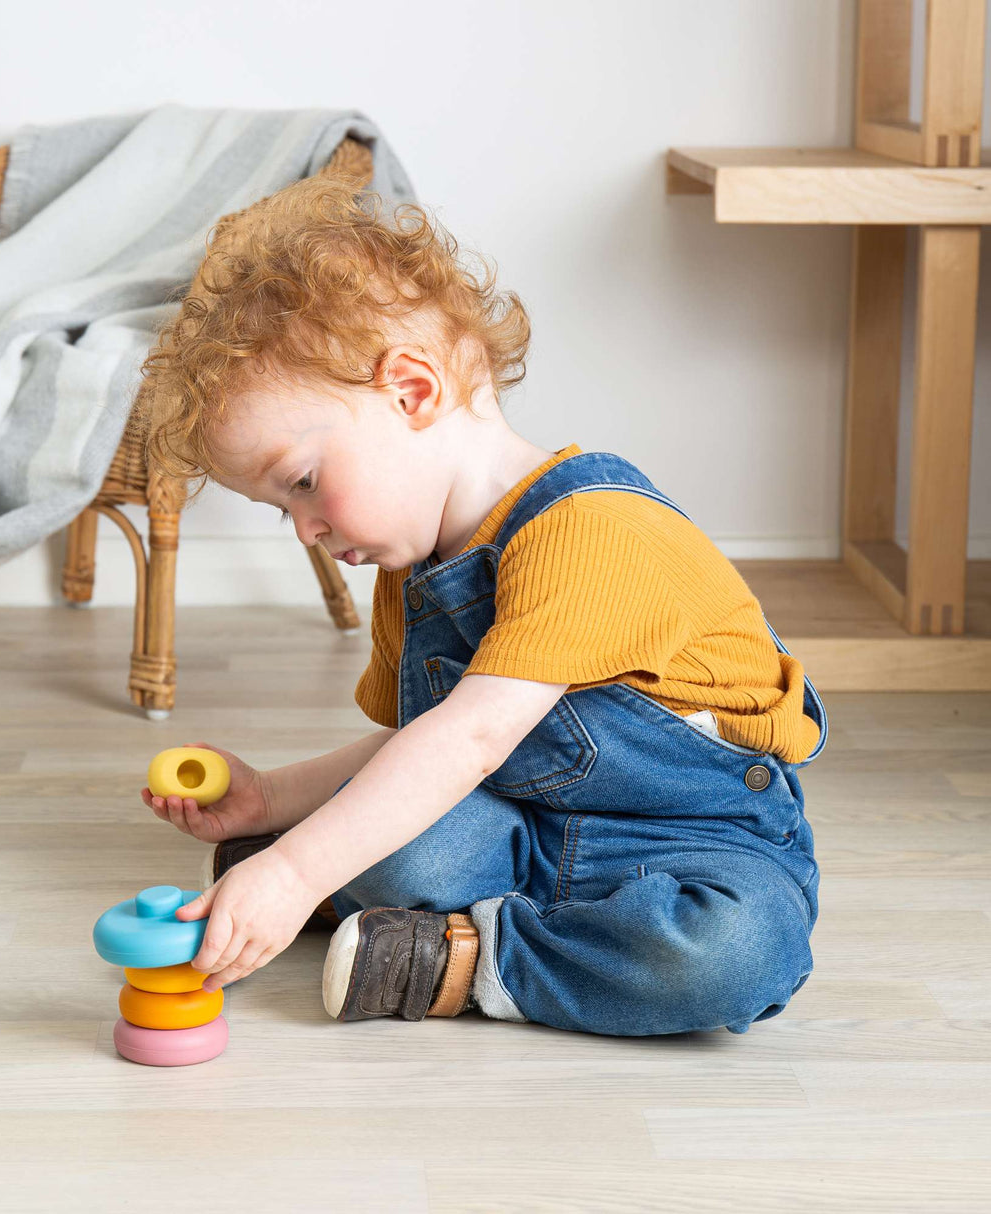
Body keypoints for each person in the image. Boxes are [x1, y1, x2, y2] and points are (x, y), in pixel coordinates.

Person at [132, 170, 827, 1036]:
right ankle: (372, 900)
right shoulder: (413, 570)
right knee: (401, 834)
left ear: (412, 390)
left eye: (303, 484)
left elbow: (472, 736)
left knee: (733, 953)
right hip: (526, 831)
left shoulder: (594, 532)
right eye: (283, 510)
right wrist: (271, 801)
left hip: (700, 842)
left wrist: (298, 869)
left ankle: (460, 966)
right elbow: (414, 743)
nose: (304, 530)